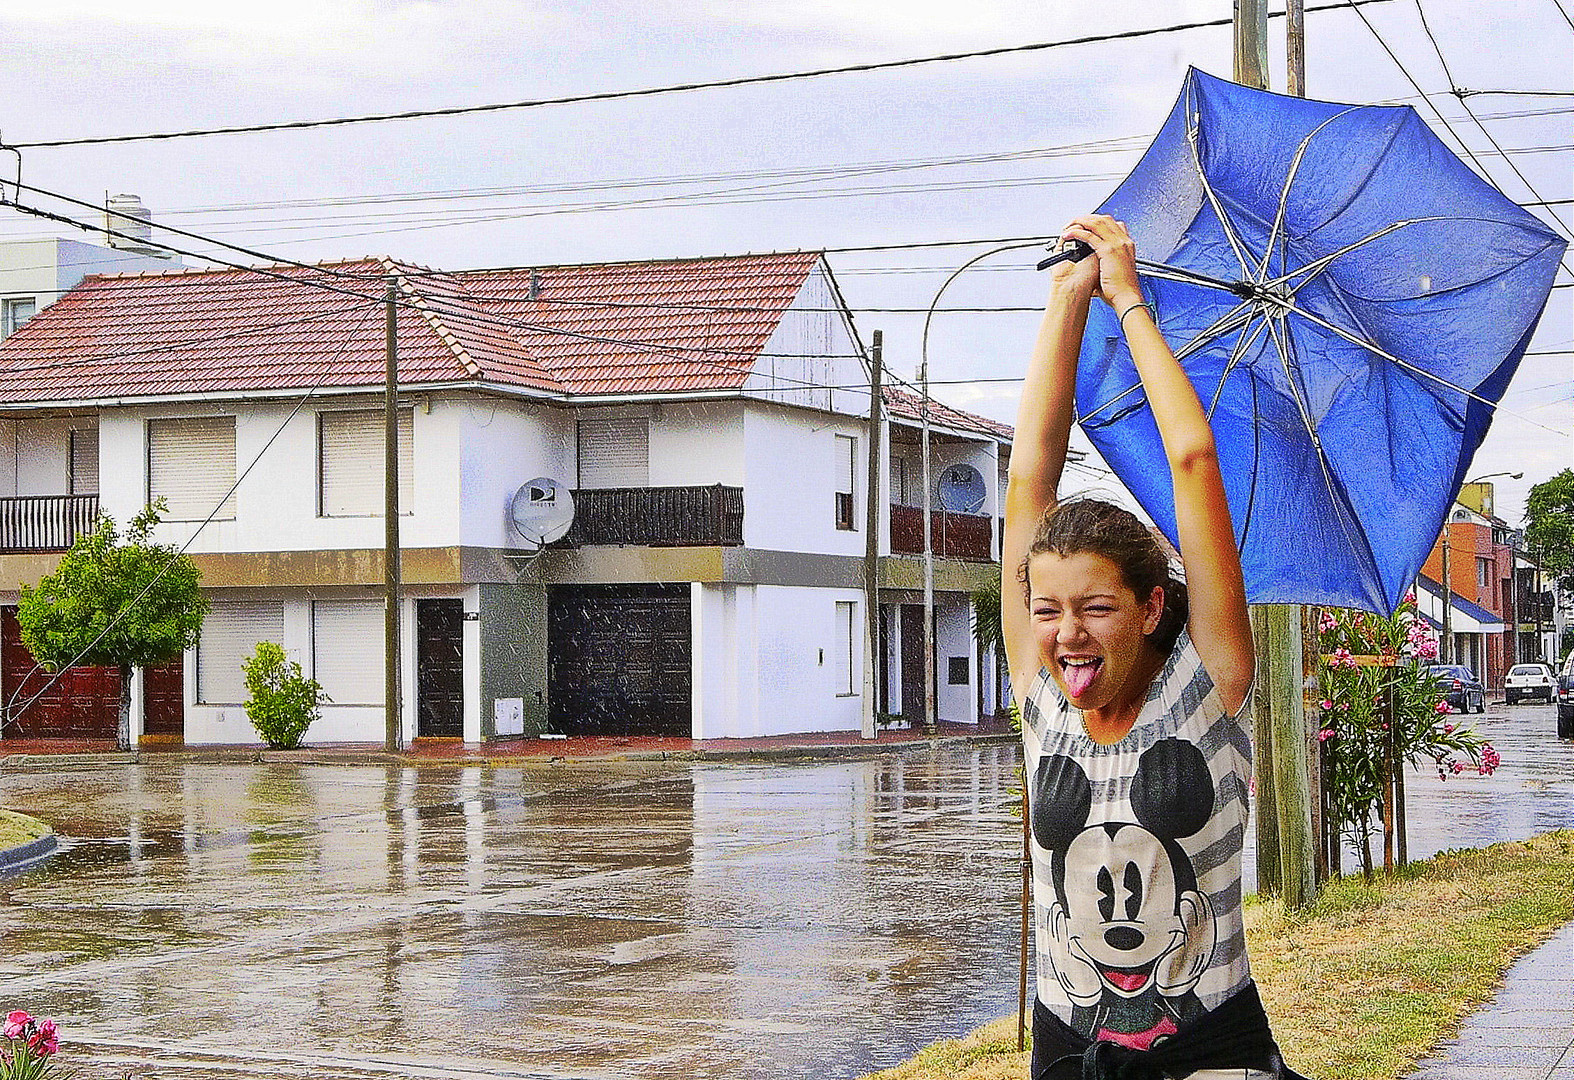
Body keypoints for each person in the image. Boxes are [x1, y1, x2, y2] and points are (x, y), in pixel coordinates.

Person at [1002, 215, 1305, 1079]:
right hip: (1068, 1051)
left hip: (1210, 1052)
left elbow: (1194, 461)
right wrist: (1067, 297)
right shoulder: (1042, 694)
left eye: (1095, 607)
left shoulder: (1210, 683)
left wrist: (1129, 302)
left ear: (1149, 608)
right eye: (1049, 609)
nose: (1065, 634)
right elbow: (1030, 477)